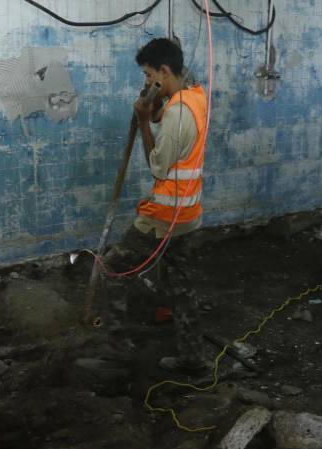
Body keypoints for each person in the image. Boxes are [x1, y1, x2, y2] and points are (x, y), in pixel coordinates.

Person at [109, 38, 208, 371]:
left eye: (149, 74)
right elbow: (164, 118)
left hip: (164, 217)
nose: (147, 80)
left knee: (114, 269)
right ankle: (194, 359)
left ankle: (119, 352)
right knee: (182, 286)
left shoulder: (178, 113)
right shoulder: (196, 97)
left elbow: (158, 166)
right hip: (189, 213)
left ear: (165, 71)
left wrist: (141, 121)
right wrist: (151, 106)